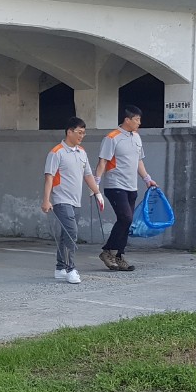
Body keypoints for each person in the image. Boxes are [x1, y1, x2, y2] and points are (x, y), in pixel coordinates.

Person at [94, 105, 158, 272]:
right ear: (127, 120)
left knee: (127, 222)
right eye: (137, 119)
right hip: (115, 184)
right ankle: (108, 251)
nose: (139, 123)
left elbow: (139, 161)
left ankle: (119, 256)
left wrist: (147, 179)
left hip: (131, 186)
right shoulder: (112, 138)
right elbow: (103, 161)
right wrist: (96, 183)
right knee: (126, 218)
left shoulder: (136, 137)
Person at [41, 117, 104, 284]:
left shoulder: (81, 152)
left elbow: (88, 175)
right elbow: (49, 177)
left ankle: (60, 268)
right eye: (79, 132)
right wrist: (46, 200)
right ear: (69, 132)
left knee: (65, 235)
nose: (82, 136)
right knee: (71, 233)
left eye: (84, 133)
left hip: (76, 200)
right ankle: (71, 269)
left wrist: (98, 193)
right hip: (61, 200)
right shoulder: (56, 152)